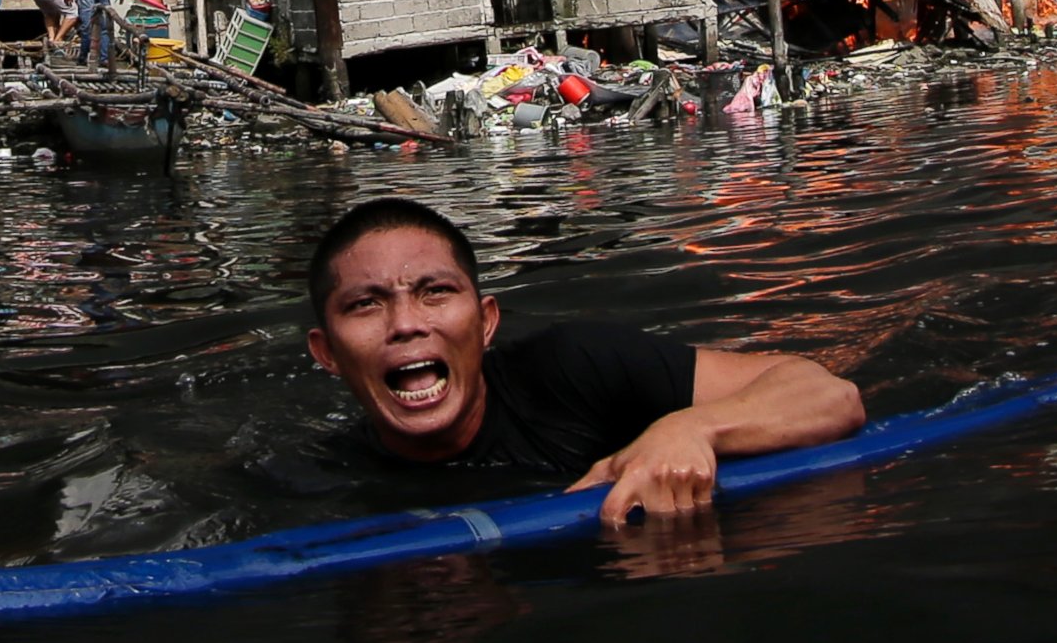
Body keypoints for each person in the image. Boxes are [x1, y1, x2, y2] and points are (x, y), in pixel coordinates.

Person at [306, 198, 865, 526]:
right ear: (327, 353)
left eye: (435, 293)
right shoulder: (320, 482)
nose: (406, 323)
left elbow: (830, 396)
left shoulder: (576, 370)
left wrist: (690, 430)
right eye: (365, 304)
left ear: (486, 322)